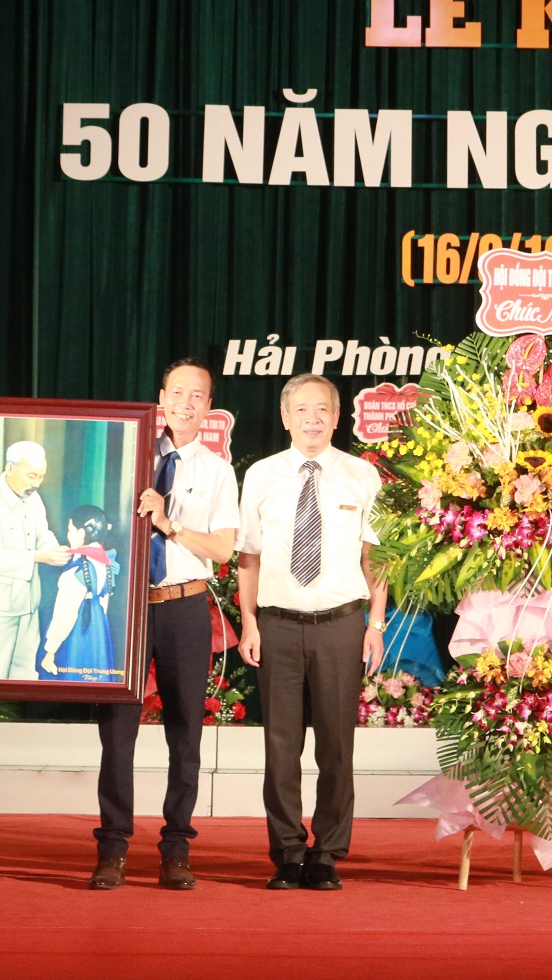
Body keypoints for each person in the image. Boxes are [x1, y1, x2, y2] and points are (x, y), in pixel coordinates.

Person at [89, 358, 240, 891]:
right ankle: (112, 848)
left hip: (184, 606)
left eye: (198, 395)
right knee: (117, 733)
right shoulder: (129, 456)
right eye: (178, 393)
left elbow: (223, 548)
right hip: (128, 607)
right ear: (161, 398)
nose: (186, 403)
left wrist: (169, 525)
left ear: (209, 406)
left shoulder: (217, 471)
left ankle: (176, 849)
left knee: (186, 733)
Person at [237, 373, 386, 890]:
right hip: (277, 624)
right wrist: (249, 622)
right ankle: (287, 853)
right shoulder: (261, 475)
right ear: (285, 417)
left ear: (337, 417)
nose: (312, 418)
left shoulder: (363, 475)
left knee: (336, 747)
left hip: (340, 625)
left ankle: (326, 854)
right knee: (280, 748)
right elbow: (248, 557)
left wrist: (375, 623)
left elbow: (376, 558)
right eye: (301, 409)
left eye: (322, 409)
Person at [0, 440, 70, 679]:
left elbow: (43, 535)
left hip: (28, 606)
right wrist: (40, 557)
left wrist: (56, 550)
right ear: (10, 468)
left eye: (41, 477)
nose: (36, 484)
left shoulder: (34, 499)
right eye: (31, 476)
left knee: (25, 676)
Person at [39, 505, 122, 684]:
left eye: (70, 530)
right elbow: (104, 602)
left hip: (77, 630)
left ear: (81, 533)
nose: (68, 535)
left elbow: (65, 615)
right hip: (98, 628)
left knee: (70, 675)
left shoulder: (75, 571)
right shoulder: (105, 561)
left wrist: (50, 651)